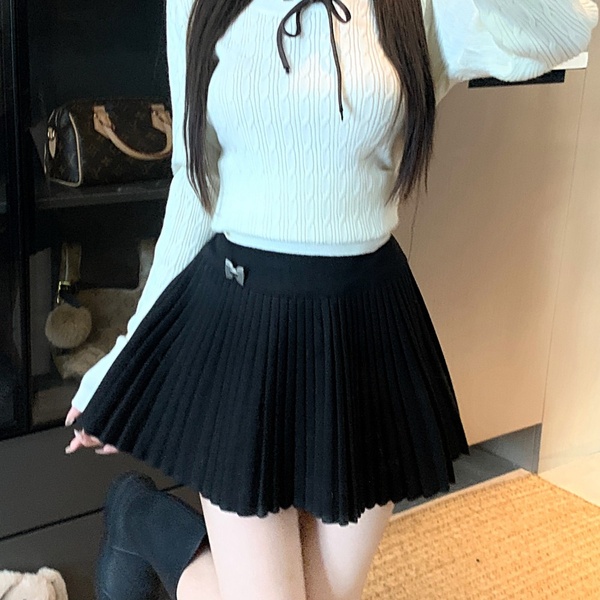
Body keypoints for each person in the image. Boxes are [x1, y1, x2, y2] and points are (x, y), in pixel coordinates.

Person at [64, 0, 599, 599]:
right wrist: (124, 360)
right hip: (244, 324)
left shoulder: (417, 8)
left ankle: (146, 522)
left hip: (365, 330)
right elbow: (196, 183)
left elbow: (564, 24)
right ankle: (140, 519)